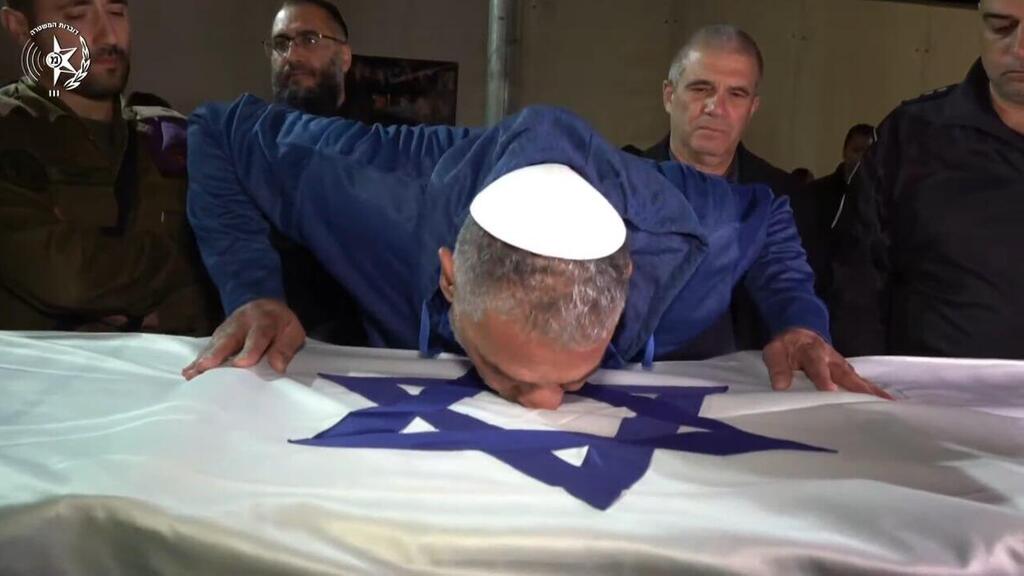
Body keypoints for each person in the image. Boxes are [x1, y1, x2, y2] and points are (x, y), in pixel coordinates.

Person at [182, 96, 890, 409]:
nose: (544, 407)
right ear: (450, 278)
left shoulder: (689, 230)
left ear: (631, 276)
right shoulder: (374, 190)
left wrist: (798, 319)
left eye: (576, 379)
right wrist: (253, 288)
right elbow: (215, 131)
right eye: (508, 372)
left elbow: (767, 217)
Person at [0, 0, 218, 333]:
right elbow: (67, 277)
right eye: (76, 15)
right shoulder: (12, 131)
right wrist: (186, 265)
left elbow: (241, 272)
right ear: (18, 24)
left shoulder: (173, 137)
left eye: (117, 12)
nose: (109, 35)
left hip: (177, 376)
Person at [829, 0, 1024, 358]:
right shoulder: (911, 135)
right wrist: (870, 389)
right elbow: (855, 283)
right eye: (1001, 27)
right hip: (928, 401)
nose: (1019, 47)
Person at [625, 25, 803, 359]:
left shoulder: (785, 197)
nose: (715, 107)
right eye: (700, 88)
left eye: (736, 94)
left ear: (752, 108)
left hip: (754, 393)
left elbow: (792, 292)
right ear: (668, 95)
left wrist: (803, 329)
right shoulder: (622, 186)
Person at [264, 0, 368, 345]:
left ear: (345, 56)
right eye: (281, 44)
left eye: (309, 40)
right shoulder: (249, 148)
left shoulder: (387, 145)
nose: (292, 56)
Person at [788, 124, 875, 297]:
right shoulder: (815, 192)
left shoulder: (883, 198)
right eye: (856, 151)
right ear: (844, 152)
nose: (861, 159)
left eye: (868, 152)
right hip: (821, 289)